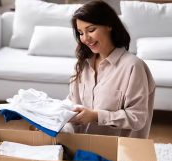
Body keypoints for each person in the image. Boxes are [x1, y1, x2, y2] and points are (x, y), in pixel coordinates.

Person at [65, 0, 155, 139]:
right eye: (81, 32)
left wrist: (96, 116)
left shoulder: (133, 66)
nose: (85, 38)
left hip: (118, 154)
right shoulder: (83, 64)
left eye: (91, 30)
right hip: (80, 149)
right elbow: (73, 103)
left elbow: (137, 118)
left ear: (109, 25)